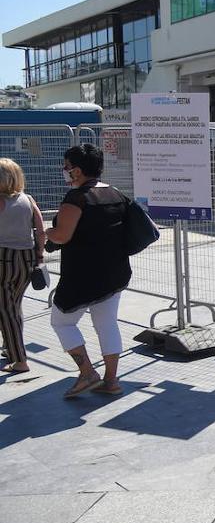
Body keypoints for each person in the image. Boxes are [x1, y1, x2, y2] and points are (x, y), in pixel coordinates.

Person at [45, 144, 131, 397]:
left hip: (82, 275)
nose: (64, 170)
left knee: (61, 322)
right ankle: (111, 381)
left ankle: (87, 372)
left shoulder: (76, 198)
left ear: (77, 171)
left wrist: (46, 233)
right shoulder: (115, 194)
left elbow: (61, 236)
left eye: (66, 167)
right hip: (114, 273)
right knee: (107, 324)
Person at [0, 158, 46, 374]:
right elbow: (40, 229)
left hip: (3, 258)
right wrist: (39, 254)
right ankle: (11, 348)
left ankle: (19, 359)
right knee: (13, 306)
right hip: (27, 258)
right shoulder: (28, 199)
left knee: (6, 309)